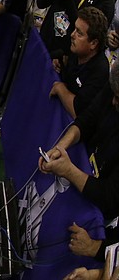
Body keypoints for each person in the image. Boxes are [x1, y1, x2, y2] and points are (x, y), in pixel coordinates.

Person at [40, 61, 119, 266]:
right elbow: (87, 119)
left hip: (104, 216)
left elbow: (109, 198)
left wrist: (68, 171)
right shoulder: (112, 88)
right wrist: (61, 147)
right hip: (90, 178)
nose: (113, 102)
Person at [50, 6, 110, 118]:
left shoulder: (100, 71)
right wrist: (60, 66)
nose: (72, 35)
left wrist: (60, 88)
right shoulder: (76, 51)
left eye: (79, 33)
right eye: (74, 29)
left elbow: (77, 112)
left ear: (93, 43)